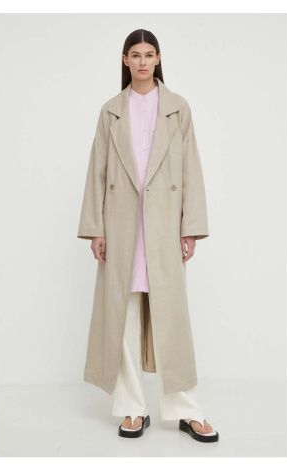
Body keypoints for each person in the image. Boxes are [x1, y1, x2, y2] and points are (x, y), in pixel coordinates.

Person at [77, 29, 218, 443]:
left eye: (149, 54)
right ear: (125, 60)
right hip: (121, 223)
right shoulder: (110, 111)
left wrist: (190, 227)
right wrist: (96, 229)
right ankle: (132, 408)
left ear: (158, 59)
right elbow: (97, 171)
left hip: (162, 225)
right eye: (135, 54)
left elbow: (190, 166)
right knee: (121, 318)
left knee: (171, 319)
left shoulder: (177, 108)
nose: (142, 61)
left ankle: (186, 410)